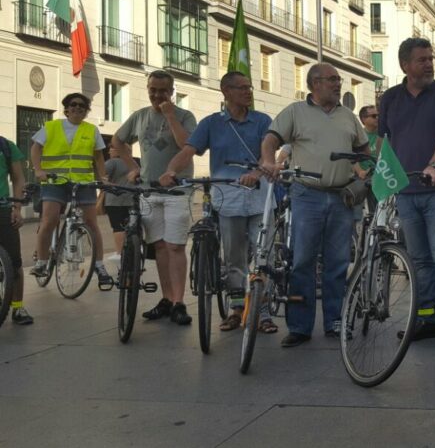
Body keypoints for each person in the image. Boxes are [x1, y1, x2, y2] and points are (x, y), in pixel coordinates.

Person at [159, 71, 277, 334]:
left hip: (259, 194)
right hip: (228, 196)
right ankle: (236, 308)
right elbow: (188, 150)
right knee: (234, 256)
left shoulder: (262, 121)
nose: (248, 92)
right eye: (242, 87)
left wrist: (256, 174)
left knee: (262, 256)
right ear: (226, 92)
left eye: (250, 87)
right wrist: (171, 171)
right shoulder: (211, 123)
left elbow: (267, 156)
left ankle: (263, 311)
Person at [260, 62, 369, 348]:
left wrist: (363, 172)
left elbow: (363, 151)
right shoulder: (295, 112)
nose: (338, 84)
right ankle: (299, 327)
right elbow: (271, 139)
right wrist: (268, 160)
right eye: (332, 79)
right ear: (314, 84)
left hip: (341, 196)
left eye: (338, 79)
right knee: (303, 262)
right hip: (306, 195)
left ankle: (335, 321)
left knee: (337, 263)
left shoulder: (348, 117)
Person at [378, 37, 435, 353]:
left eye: (431, 58)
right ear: (405, 65)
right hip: (405, 190)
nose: (429, 64)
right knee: (419, 259)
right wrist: (377, 175)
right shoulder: (389, 98)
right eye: (422, 59)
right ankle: (428, 318)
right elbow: (384, 142)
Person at [113, 70, 197, 325]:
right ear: (147, 88)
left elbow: (188, 146)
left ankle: (179, 302)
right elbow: (117, 139)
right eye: (153, 89)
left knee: (176, 246)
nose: (157, 95)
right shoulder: (139, 116)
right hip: (149, 190)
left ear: (172, 92)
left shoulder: (185, 116)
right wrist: (132, 166)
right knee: (159, 246)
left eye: (163, 90)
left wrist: (171, 116)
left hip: (177, 191)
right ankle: (167, 298)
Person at [31, 93, 111, 287]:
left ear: (86, 111)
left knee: (92, 223)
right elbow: (35, 148)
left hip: (83, 183)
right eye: (73, 105)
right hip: (54, 182)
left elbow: (98, 157)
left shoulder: (91, 130)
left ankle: (100, 266)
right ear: (66, 108)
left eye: (82, 106)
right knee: (49, 220)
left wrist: (103, 178)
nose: (77, 108)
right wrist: (38, 170)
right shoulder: (51, 126)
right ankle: (42, 262)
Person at [0, 135, 30, 325]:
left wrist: (17, 207)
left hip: (3, 209)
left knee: (13, 261)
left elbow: (18, 178)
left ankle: (18, 307)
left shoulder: (6, 146)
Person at [103, 147, 134, 258]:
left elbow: (100, 176)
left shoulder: (112, 162)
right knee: (131, 226)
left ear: (118, 150)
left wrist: (107, 184)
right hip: (132, 199)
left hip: (114, 200)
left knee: (118, 227)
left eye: (111, 149)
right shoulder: (134, 163)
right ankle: (133, 251)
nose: (109, 151)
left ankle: (120, 253)